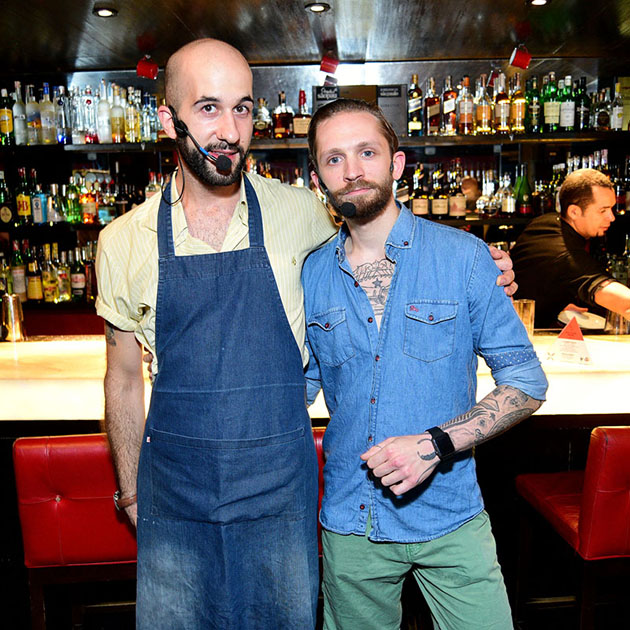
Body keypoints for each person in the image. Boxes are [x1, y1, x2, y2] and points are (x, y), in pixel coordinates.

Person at [96, 38, 516, 628]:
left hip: (278, 486)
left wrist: (477, 266)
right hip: (176, 490)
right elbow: (121, 378)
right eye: (209, 108)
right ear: (169, 120)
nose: (229, 130)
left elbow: (376, 225)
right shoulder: (122, 241)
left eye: (243, 109)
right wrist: (131, 492)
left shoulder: (303, 212)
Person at [302, 98, 548, 630]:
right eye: (334, 159)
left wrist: (436, 444)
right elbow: (297, 390)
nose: (352, 170)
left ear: (397, 164)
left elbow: (526, 381)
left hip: (450, 515)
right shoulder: (312, 274)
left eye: (367, 152)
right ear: (318, 178)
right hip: (352, 521)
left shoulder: (465, 257)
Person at [510, 168, 630, 328]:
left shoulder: (544, 222)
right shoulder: (566, 254)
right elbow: (626, 304)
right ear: (574, 212)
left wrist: (555, 304)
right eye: (603, 210)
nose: (612, 217)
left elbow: (537, 280)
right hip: (519, 335)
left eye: (611, 209)